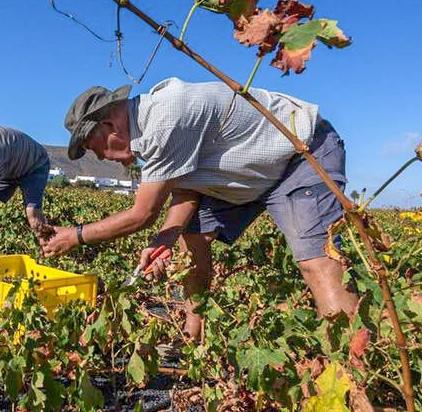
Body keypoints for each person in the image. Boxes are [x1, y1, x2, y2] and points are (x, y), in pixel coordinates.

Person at [41, 77, 358, 343]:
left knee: (317, 263)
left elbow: (142, 214)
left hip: (299, 154)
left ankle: (347, 373)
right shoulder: (151, 129)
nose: (101, 158)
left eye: (97, 149)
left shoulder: (165, 119)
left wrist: (76, 236)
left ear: (110, 124)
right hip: (248, 172)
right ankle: (194, 342)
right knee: (191, 238)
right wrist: (166, 237)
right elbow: (187, 188)